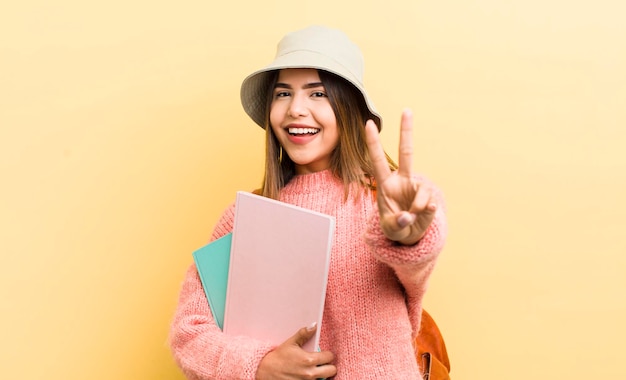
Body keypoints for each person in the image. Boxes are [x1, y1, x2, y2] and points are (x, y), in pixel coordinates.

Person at [169, 25, 448, 380]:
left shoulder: (383, 202)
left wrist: (409, 235)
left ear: (348, 108)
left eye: (317, 94)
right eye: (283, 93)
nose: (295, 109)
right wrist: (258, 365)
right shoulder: (244, 216)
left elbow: (421, 253)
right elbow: (188, 333)